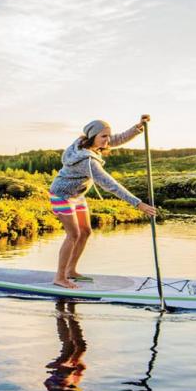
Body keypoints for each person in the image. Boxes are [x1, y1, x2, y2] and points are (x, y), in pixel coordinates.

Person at [47, 116, 156, 289]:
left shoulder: (87, 143)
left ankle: (70, 270)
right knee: (73, 234)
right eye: (104, 136)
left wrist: (137, 127)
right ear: (93, 137)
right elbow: (111, 185)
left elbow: (118, 139)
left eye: (108, 135)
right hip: (62, 195)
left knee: (86, 231)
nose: (108, 140)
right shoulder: (87, 161)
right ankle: (60, 277)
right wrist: (138, 204)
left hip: (77, 195)